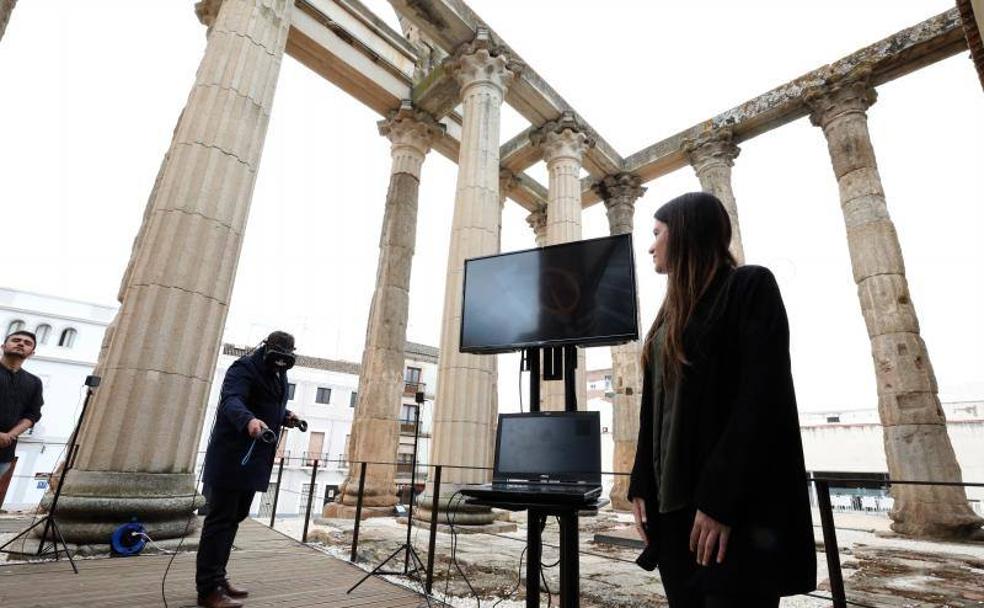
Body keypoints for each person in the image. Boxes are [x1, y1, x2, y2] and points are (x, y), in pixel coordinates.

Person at [629, 192, 816, 608]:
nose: (650, 245)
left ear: (686, 233)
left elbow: (761, 401)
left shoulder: (749, 287)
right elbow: (653, 408)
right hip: (673, 514)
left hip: (727, 513)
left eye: (657, 233)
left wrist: (720, 500)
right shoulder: (667, 318)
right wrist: (641, 482)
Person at [196, 331, 301, 608]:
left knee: (235, 518)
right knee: (220, 521)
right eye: (277, 358)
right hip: (233, 457)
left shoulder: (279, 373)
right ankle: (208, 589)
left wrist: (286, 416)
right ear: (266, 348)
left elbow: (271, 403)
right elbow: (232, 400)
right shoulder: (243, 368)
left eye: (285, 360)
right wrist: (249, 421)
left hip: (256, 460)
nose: (280, 365)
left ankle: (219, 577)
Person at [1, 331, 44, 491]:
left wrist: (10, 435)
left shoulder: (34, 382)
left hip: (4, 453)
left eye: (27, 343)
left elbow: (32, 414)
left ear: (31, 353)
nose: (21, 344)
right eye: (16, 340)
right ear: (3, 346)